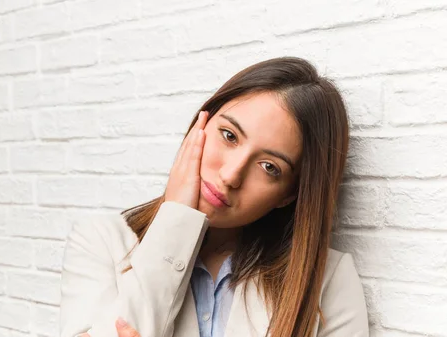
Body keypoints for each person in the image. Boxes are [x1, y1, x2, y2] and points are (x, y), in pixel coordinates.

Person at [59, 57, 369, 337]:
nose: (232, 175)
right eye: (229, 135)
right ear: (200, 125)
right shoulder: (101, 242)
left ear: (288, 195)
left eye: (269, 167)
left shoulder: (327, 279)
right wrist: (176, 220)